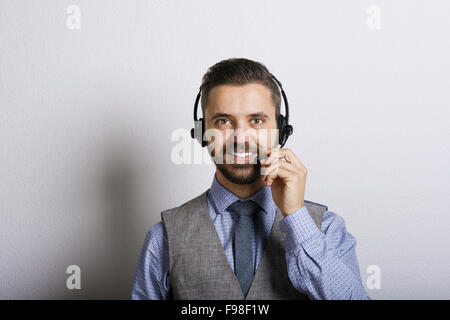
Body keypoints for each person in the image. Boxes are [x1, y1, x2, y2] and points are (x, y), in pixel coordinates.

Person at [131, 58, 371, 300]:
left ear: (282, 129)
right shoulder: (164, 238)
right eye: (223, 121)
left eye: (256, 121)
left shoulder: (327, 229)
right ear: (203, 132)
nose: (241, 138)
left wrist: (296, 216)